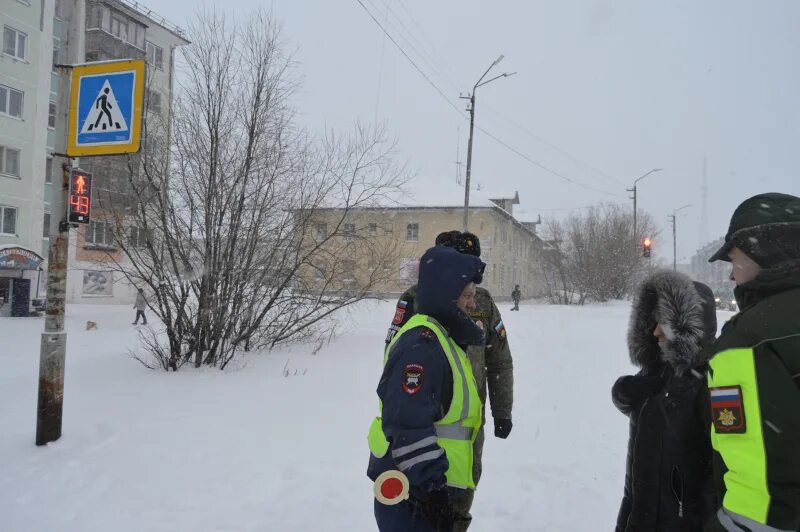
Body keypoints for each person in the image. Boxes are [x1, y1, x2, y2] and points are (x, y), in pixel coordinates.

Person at [384, 230, 514, 531]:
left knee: (463, 489)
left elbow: (500, 360)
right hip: (425, 425)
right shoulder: (416, 302)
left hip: (467, 423)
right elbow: (397, 360)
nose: (469, 296)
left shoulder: (482, 301)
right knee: (424, 506)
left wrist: (502, 410)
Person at [368, 245, 486, 532]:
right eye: (467, 296)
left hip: (430, 489)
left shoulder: (443, 338)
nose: (472, 305)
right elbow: (407, 424)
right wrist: (433, 492)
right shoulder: (423, 345)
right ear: (446, 295)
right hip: (415, 495)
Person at [703, 192, 800, 532]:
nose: (731, 276)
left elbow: (761, 493)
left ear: (767, 252)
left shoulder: (746, 342)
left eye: (735, 260)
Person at [612, 270, 718, 531]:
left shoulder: (710, 380)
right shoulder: (658, 368)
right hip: (639, 512)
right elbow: (642, 412)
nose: (656, 331)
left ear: (687, 326)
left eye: (664, 322)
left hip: (680, 521)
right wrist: (624, 390)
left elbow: (722, 472)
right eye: (654, 321)